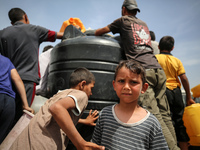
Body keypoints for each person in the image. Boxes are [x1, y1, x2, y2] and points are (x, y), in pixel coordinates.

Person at [94, 0, 179, 149]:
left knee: (156, 117)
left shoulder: (123, 20)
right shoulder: (144, 24)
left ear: (124, 9)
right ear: (136, 11)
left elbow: (98, 32)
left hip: (144, 71)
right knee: (165, 115)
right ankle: (175, 145)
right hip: (158, 70)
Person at [9, 67, 105, 150]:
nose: (91, 93)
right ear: (82, 84)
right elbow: (57, 108)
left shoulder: (59, 94)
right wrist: (80, 143)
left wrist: (84, 121)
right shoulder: (81, 94)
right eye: (91, 88)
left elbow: (57, 116)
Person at [0, 8, 63, 123]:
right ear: (26, 16)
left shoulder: (2, 33)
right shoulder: (35, 30)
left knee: (6, 118)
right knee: (21, 117)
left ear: (11, 22)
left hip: (7, 81)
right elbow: (59, 35)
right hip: (27, 81)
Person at [91, 60, 168, 149]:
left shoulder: (151, 123)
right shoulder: (105, 114)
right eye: (121, 81)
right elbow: (95, 145)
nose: (126, 87)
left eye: (133, 82)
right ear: (114, 85)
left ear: (144, 88)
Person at [156, 36, 196, 150]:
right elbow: (184, 79)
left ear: (158, 47)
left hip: (163, 92)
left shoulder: (155, 58)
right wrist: (188, 97)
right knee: (179, 122)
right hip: (176, 93)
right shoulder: (177, 60)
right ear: (172, 48)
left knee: (165, 121)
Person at [0, 54, 34, 144]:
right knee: (3, 138)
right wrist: (25, 105)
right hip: (9, 103)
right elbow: (17, 79)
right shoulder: (6, 60)